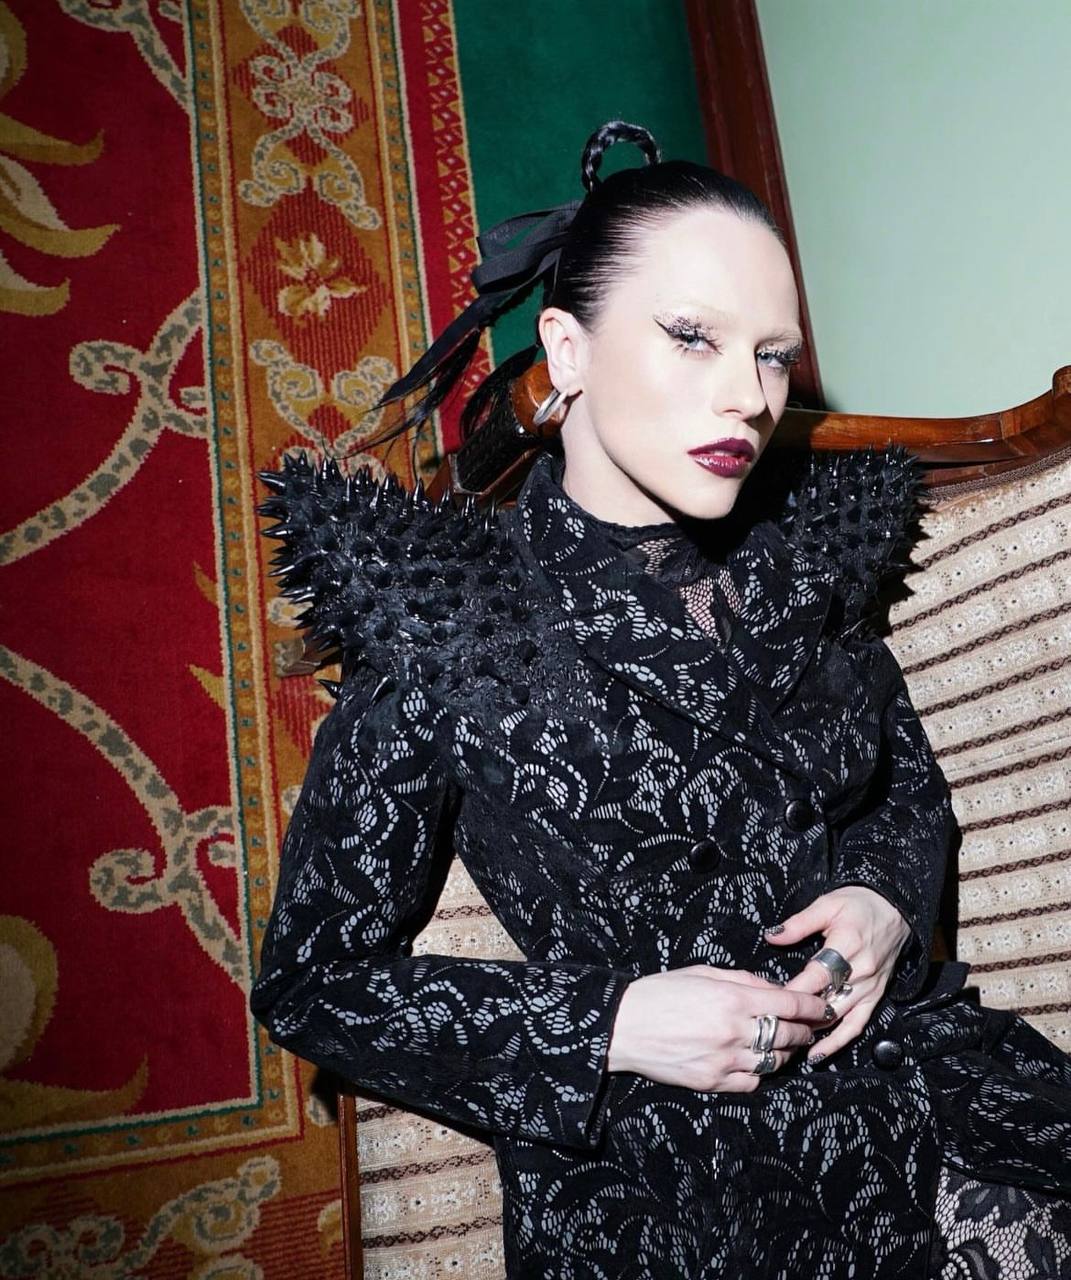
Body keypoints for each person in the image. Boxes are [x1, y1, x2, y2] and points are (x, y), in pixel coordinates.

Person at [250, 120, 1071, 1278]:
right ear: (568, 349)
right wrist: (613, 1023)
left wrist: (884, 899)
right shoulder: (451, 616)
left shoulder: (810, 562)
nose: (748, 395)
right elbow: (312, 981)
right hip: (666, 1159)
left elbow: (903, 781)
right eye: (692, 336)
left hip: (923, 1062)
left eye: (773, 355)